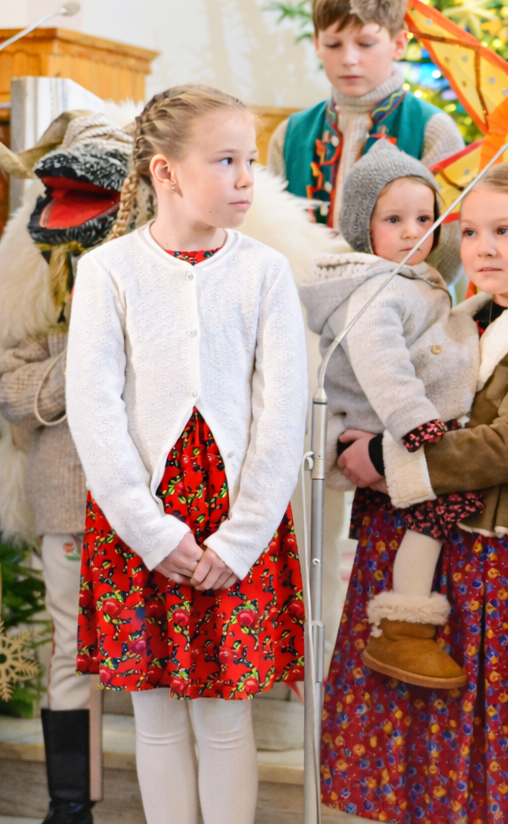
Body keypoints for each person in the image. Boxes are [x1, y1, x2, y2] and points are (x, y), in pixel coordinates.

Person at [66, 85, 310, 824]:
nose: (246, 179)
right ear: (166, 171)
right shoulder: (108, 271)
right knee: (156, 716)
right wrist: (149, 530)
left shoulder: (265, 271)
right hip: (140, 522)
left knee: (226, 717)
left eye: (251, 161)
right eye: (226, 160)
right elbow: (94, 409)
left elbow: (282, 415)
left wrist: (242, 539)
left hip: (234, 518)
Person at [322, 162, 508, 824]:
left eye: (504, 231)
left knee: (461, 712)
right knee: (399, 714)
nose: (483, 248)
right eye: (470, 232)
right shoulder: (459, 314)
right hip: (411, 529)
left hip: (484, 547)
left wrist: (386, 457)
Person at [297, 143, 479, 688]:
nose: (412, 232)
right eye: (393, 220)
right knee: (430, 510)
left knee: (423, 518)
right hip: (379, 426)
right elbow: (382, 363)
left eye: (424, 219)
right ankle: (399, 626)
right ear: (363, 226)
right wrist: (414, 420)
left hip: (389, 431)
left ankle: (401, 621)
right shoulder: (377, 286)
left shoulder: (416, 280)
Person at [265, 0, 464, 235]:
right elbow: (272, 231)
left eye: (366, 43)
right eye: (333, 44)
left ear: (398, 44)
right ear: (317, 45)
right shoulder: (289, 135)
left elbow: (447, 239)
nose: (348, 59)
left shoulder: (433, 131)